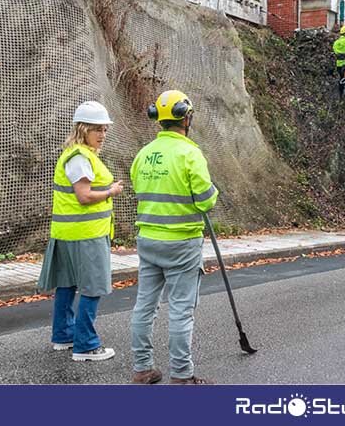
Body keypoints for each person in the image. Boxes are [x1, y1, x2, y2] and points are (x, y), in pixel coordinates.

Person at [129, 90, 219, 385]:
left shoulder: (143, 155)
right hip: (182, 243)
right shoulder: (190, 153)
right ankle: (182, 375)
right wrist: (212, 191)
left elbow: (137, 188)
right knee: (181, 310)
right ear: (186, 117)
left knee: (145, 306)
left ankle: (143, 369)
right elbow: (205, 200)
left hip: (148, 241)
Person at [38, 101, 123, 362]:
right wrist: (111, 191)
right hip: (85, 235)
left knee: (66, 285)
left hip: (68, 234)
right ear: (83, 129)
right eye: (97, 129)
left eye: (105, 129)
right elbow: (84, 196)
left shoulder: (77, 154)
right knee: (92, 287)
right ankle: (86, 344)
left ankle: (64, 335)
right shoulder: (79, 158)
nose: (102, 134)